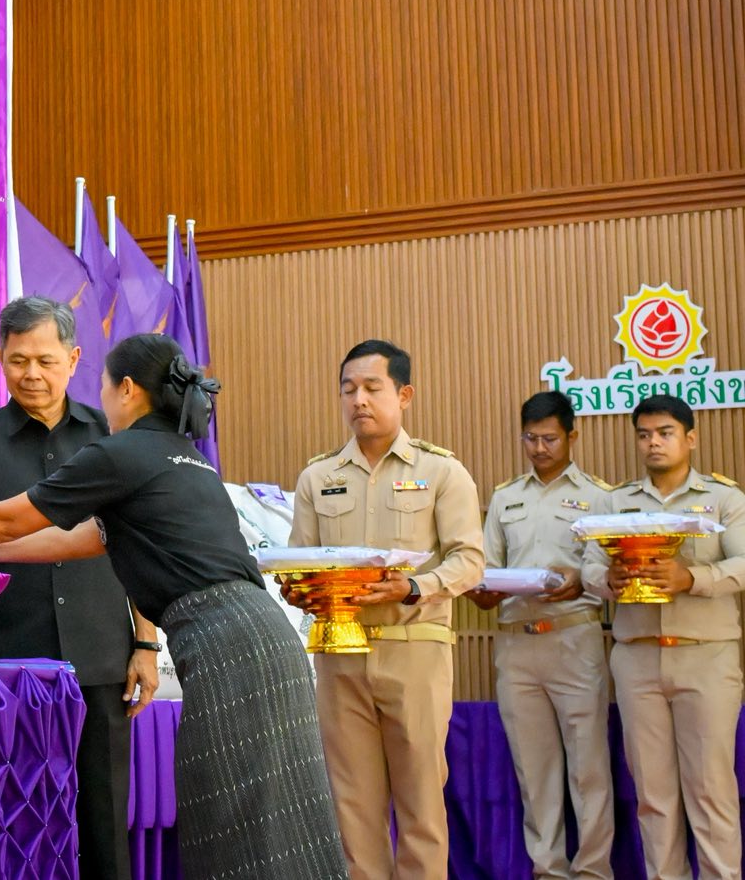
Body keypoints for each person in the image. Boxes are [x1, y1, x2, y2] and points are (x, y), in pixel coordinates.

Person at [0, 333, 348, 880]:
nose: (101, 399)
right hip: (264, 636)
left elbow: (12, 517)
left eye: (103, 386)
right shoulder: (187, 460)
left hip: (224, 643)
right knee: (287, 815)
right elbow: (86, 538)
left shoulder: (121, 452)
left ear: (127, 389)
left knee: (232, 815)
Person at [0, 296, 158, 880]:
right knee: (9, 817)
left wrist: (145, 644)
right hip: (8, 661)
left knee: (105, 820)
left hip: (103, 655)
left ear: (74, 359)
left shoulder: (114, 436)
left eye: (45, 360)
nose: (31, 374)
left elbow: (139, 549)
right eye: (18, 361)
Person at [287, 339, 483, 880]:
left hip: (414, 652)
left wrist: (413, 587)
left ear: (404, 395)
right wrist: (299, 590)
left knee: (421, 803)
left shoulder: (442, 471)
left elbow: (470, 561)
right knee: (352, 806)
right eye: (348, 389)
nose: (359, 400)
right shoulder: (317, 477)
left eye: (372, 388)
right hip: (338, 658)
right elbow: (300, 560)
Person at [580, 394, 744, 880]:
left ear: (690, 438)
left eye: (665, 433)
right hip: (636, 658)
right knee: (652, 795)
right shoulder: (615, 502)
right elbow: (589, 568)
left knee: (711, 790)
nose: (653, 442)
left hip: (706, 657)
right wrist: (607, 580)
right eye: (644, 434)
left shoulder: (724, 499)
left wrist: (691, 578)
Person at [462, 390, 615, 880]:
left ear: (572, 436)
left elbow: (608, 572)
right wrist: (479, 588)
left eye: (550, 438)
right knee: (534, 770)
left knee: (588, 767)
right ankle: (548, 870)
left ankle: (593, 871)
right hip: (516, 643)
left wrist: (579, 579)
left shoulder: (600, 497)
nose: (539, 448)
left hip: (574, 639)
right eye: (530, 438)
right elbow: (486, 568)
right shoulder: (505, 497)